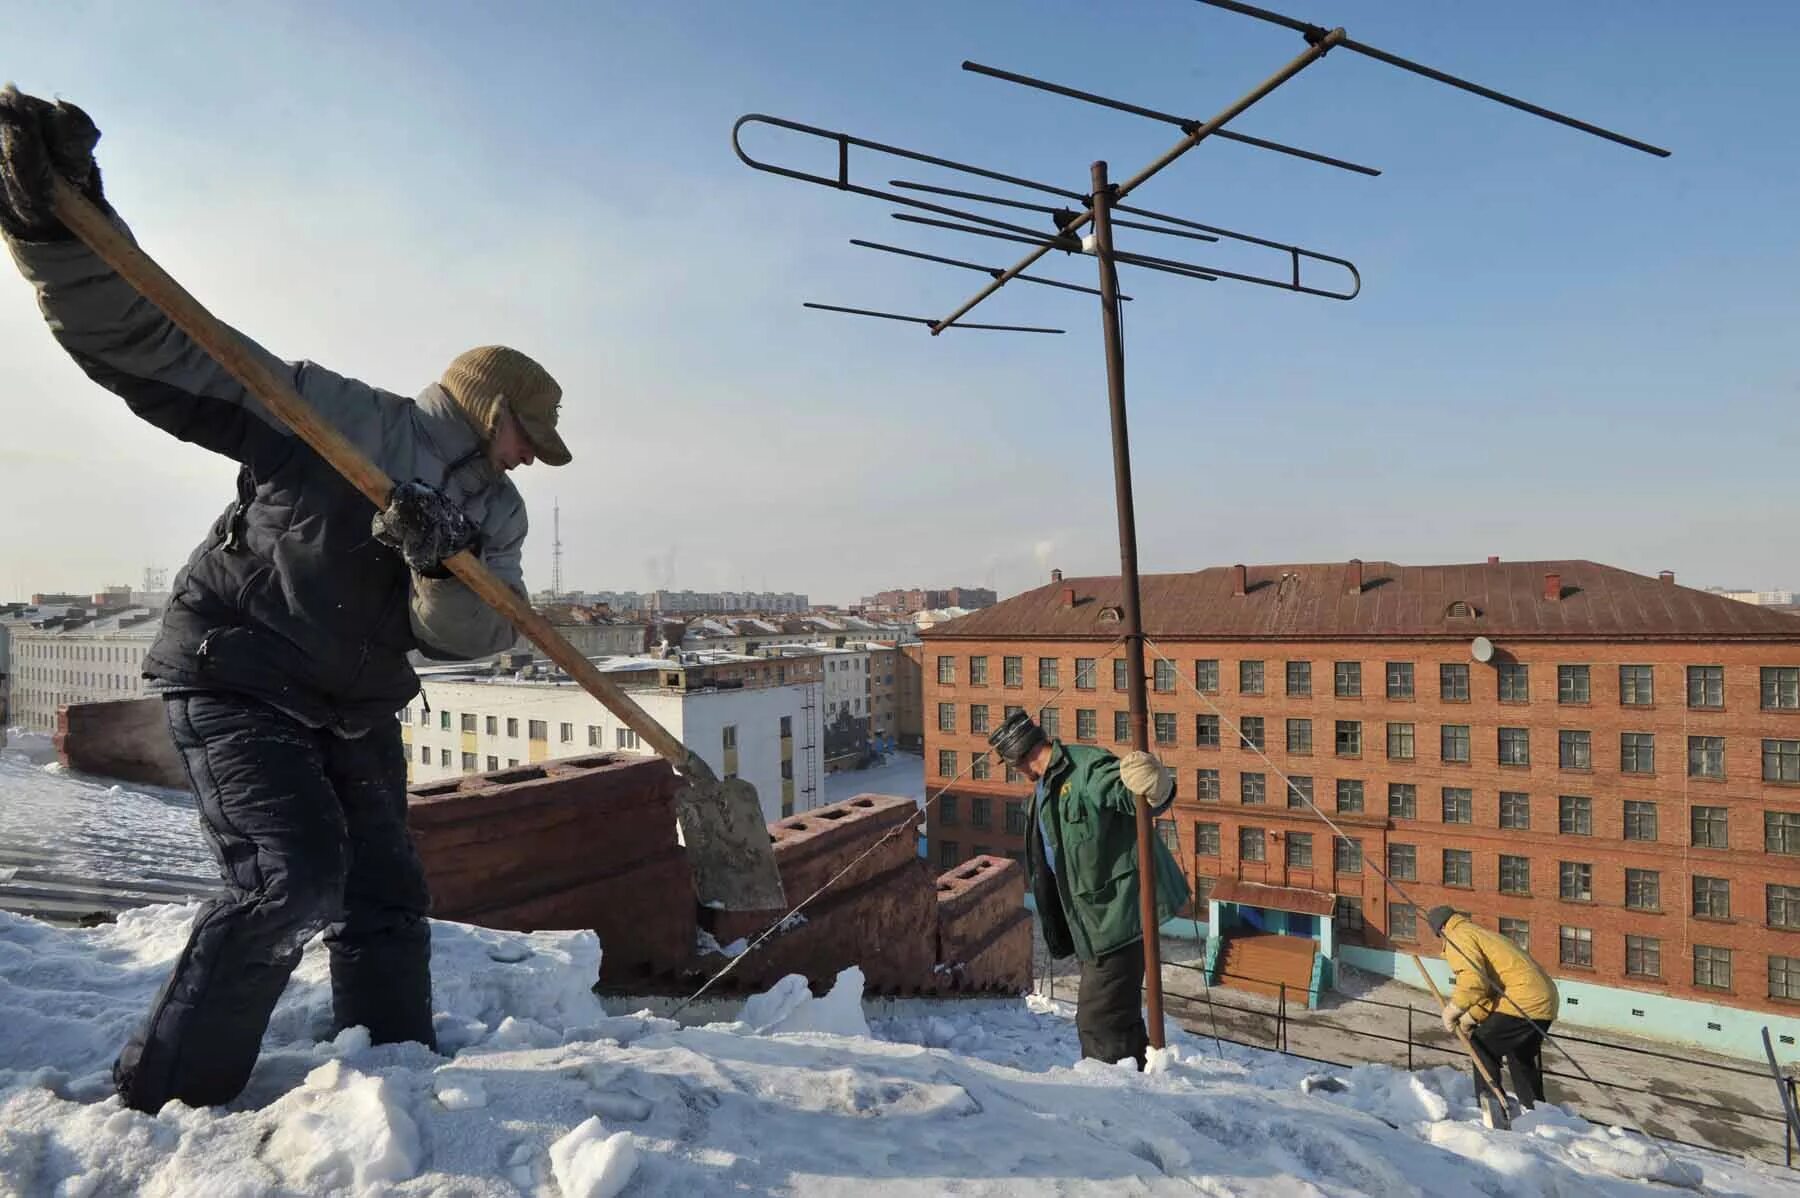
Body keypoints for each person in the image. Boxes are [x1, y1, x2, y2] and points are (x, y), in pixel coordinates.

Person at [0, 87, 571, 1112]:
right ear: (493, 414)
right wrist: (62, 234)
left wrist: (436, 564)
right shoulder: (334, 415)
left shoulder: (501, 516)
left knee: (388, 895)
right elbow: (166, 347)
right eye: (530, 435)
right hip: (240, 672)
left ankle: (388, 1073)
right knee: (289, 878)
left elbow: (468, 642)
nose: (535, 457)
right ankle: (168, 1096)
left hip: (354, 702)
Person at [988, 709, 1188, 1069]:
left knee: (1097, 1020)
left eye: (1010, 763)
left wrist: (1157, 786)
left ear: (1020, 756)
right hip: (1090, 924)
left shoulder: (1086, 769)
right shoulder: (1042, 792)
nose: (1013, 771)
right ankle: (1142, 1080)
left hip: (1119, 918)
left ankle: (1112, 1093)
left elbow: (1134, 796)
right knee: (1117, 1015)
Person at [1428, 904, 1559, 1113]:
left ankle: (1492, 1111)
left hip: (1523, 1000)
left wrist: (1454, 1009)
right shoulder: (1480, 934)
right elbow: (1490, 988)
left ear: (1440, 929)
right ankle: (1537, 1113)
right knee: (1520, 1057)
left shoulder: (1458, 937)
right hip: (1543, 999)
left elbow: (1474, 980)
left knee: (1481, 1045)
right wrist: (1471, 1017)